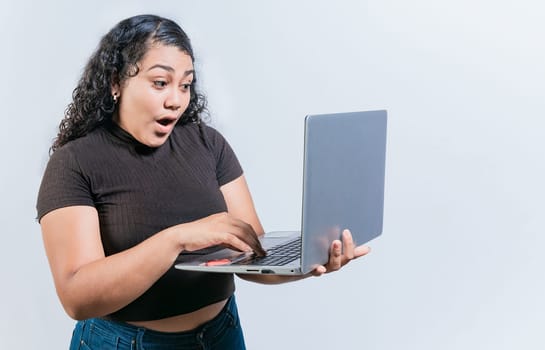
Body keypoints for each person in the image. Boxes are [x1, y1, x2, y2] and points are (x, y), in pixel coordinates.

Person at [36, 14, 370, 350]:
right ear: (115, 82)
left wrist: (310, 260)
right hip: (126, 343)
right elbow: (77, 297)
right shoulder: (74, 162)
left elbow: (252, 254)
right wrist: (178, 239)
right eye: (160, 83)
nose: (176, 100)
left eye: (185, 84)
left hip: (221, 335)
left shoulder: (208, 143)